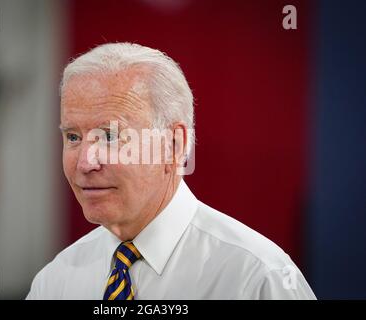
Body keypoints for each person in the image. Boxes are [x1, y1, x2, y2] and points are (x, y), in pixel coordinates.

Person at [26, 42, 316, 300]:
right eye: (73, 137)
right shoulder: (54, 282)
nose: (85, 163)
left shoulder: (257, 279)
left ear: (174, 145)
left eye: (110, 136)